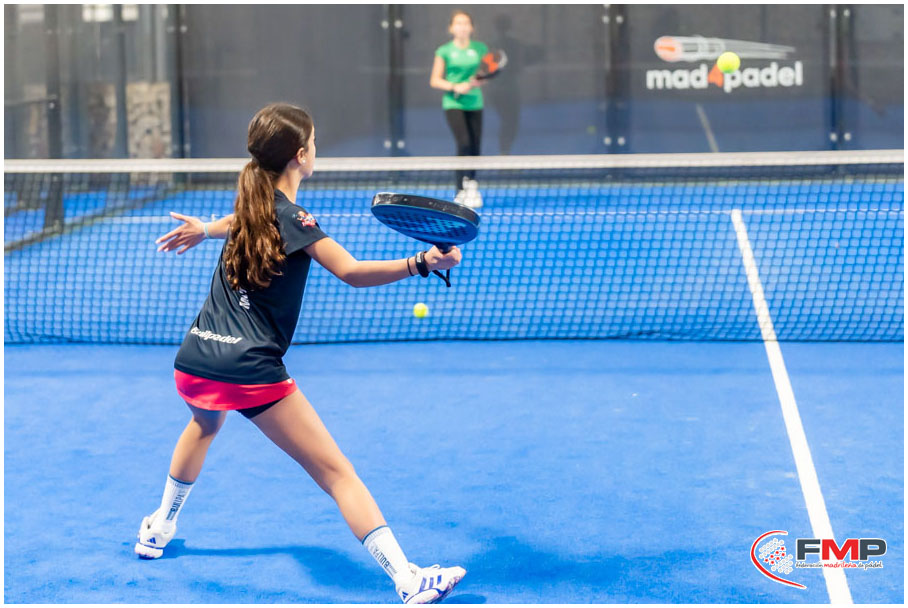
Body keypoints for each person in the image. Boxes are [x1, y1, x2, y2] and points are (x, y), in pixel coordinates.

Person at [139, 103, 466, 604]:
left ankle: (158, 527)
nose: (316, 148)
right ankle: (407, 579)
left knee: (204, 424)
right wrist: (421, 262)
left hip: (195, 359)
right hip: (251, 371)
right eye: (313, 142)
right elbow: (351, 272)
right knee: (337, 474)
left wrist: (204, 228)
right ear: (300, 156)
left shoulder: (253, 203)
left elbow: (238, 220)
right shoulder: (296, 218)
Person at [430, 10, 487, 209]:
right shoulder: (444, 51)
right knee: (463, 143)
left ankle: (472, 185)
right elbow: (435, 80)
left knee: (475, 145)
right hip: (453, 103)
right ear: (451, 28)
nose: (462, 27)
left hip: (475, 102)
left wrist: (477, 82)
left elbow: (484, 74)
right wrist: (455, 86)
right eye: (458, 23)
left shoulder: (480, 49)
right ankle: (460, 189)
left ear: (471, 27)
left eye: (466, 23)